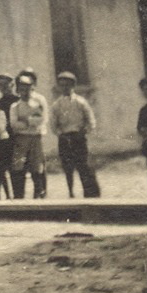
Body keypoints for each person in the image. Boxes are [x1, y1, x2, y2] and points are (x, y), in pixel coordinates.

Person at [51, 71, 100, 199]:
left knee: (83, 166)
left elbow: (91, 120)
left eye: (68, 85)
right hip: (65, 138)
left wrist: (84, 131)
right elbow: (53, 125)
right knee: (68, 168)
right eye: (62, 85)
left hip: (78, 138)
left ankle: (89, 195)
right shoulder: (57, 105)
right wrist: (61, 134)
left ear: (73, 85)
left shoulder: (81, 102)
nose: (65, 88)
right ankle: (71, 193)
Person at [8, 70, 49, 199]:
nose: (25, 92)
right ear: (18, 90)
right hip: (21, 139)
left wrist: (26, 121)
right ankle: (19, 195)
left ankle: (39, 193)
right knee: (18, 164)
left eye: (28, 88)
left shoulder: (38, 102)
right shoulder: (15, 106)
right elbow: (14, 124)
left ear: (32, 88)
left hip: (35, 137)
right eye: (22, 89)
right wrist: (29, 122)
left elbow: (42, 119)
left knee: (37, 165)